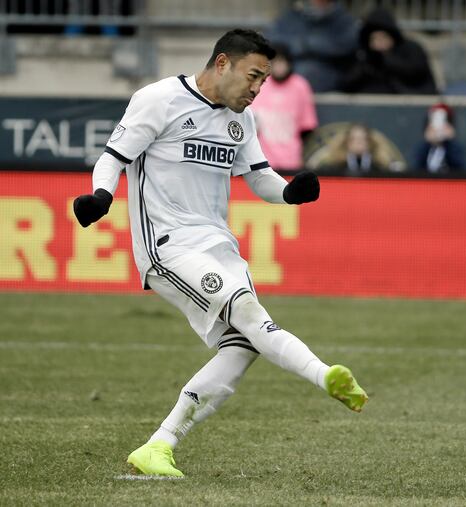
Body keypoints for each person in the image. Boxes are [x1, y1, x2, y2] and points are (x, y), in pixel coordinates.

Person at [71, 29, 368, 478]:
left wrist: (290, 193)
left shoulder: (241, 120)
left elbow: (259, 176)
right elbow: (114, 157)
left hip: (220, 246)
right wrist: (101, 196)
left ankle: (159, 445)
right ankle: (324, 374)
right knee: (248, 312)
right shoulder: (159, 99)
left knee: (244, 344)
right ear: (223, 63)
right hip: (168, 244)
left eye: (264, 80)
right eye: (253, 76)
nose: (257, 88)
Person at [250, 44, 318, 171]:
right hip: (262, 161)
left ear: (289, 63)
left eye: (282, 62)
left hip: (292, 161)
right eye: (275, 62)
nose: (278, 67)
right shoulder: (260, 84)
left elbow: (307, 127)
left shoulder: (300, 86)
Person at [341, 7, 438, 95]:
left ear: (392, 37)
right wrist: (366, 66)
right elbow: (346, 83)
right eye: (374, 38)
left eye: (383, 37)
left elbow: (415, 72)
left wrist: (385, 59)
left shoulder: (411, 49)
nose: (379, 43)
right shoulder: (364, 56)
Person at [267, 0, 358, 93]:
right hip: (288, 79)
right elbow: (273, 41)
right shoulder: (291, 17)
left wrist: (310, 44)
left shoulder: (343, 20)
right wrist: (301, 45)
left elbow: (348, 46)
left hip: (330, 80)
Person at [315, 123, 391, 174]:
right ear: (347, 143)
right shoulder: (336, 168)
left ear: (369, 143)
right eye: (354, 139)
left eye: (363, 139)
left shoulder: (378, 169)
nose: (358, 142)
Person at [413, 103, 466, 174]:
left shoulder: (455, 149)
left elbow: (460, 168)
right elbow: (416, 168)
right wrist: (429, 140)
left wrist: (448, 141)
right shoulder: (423, 149)